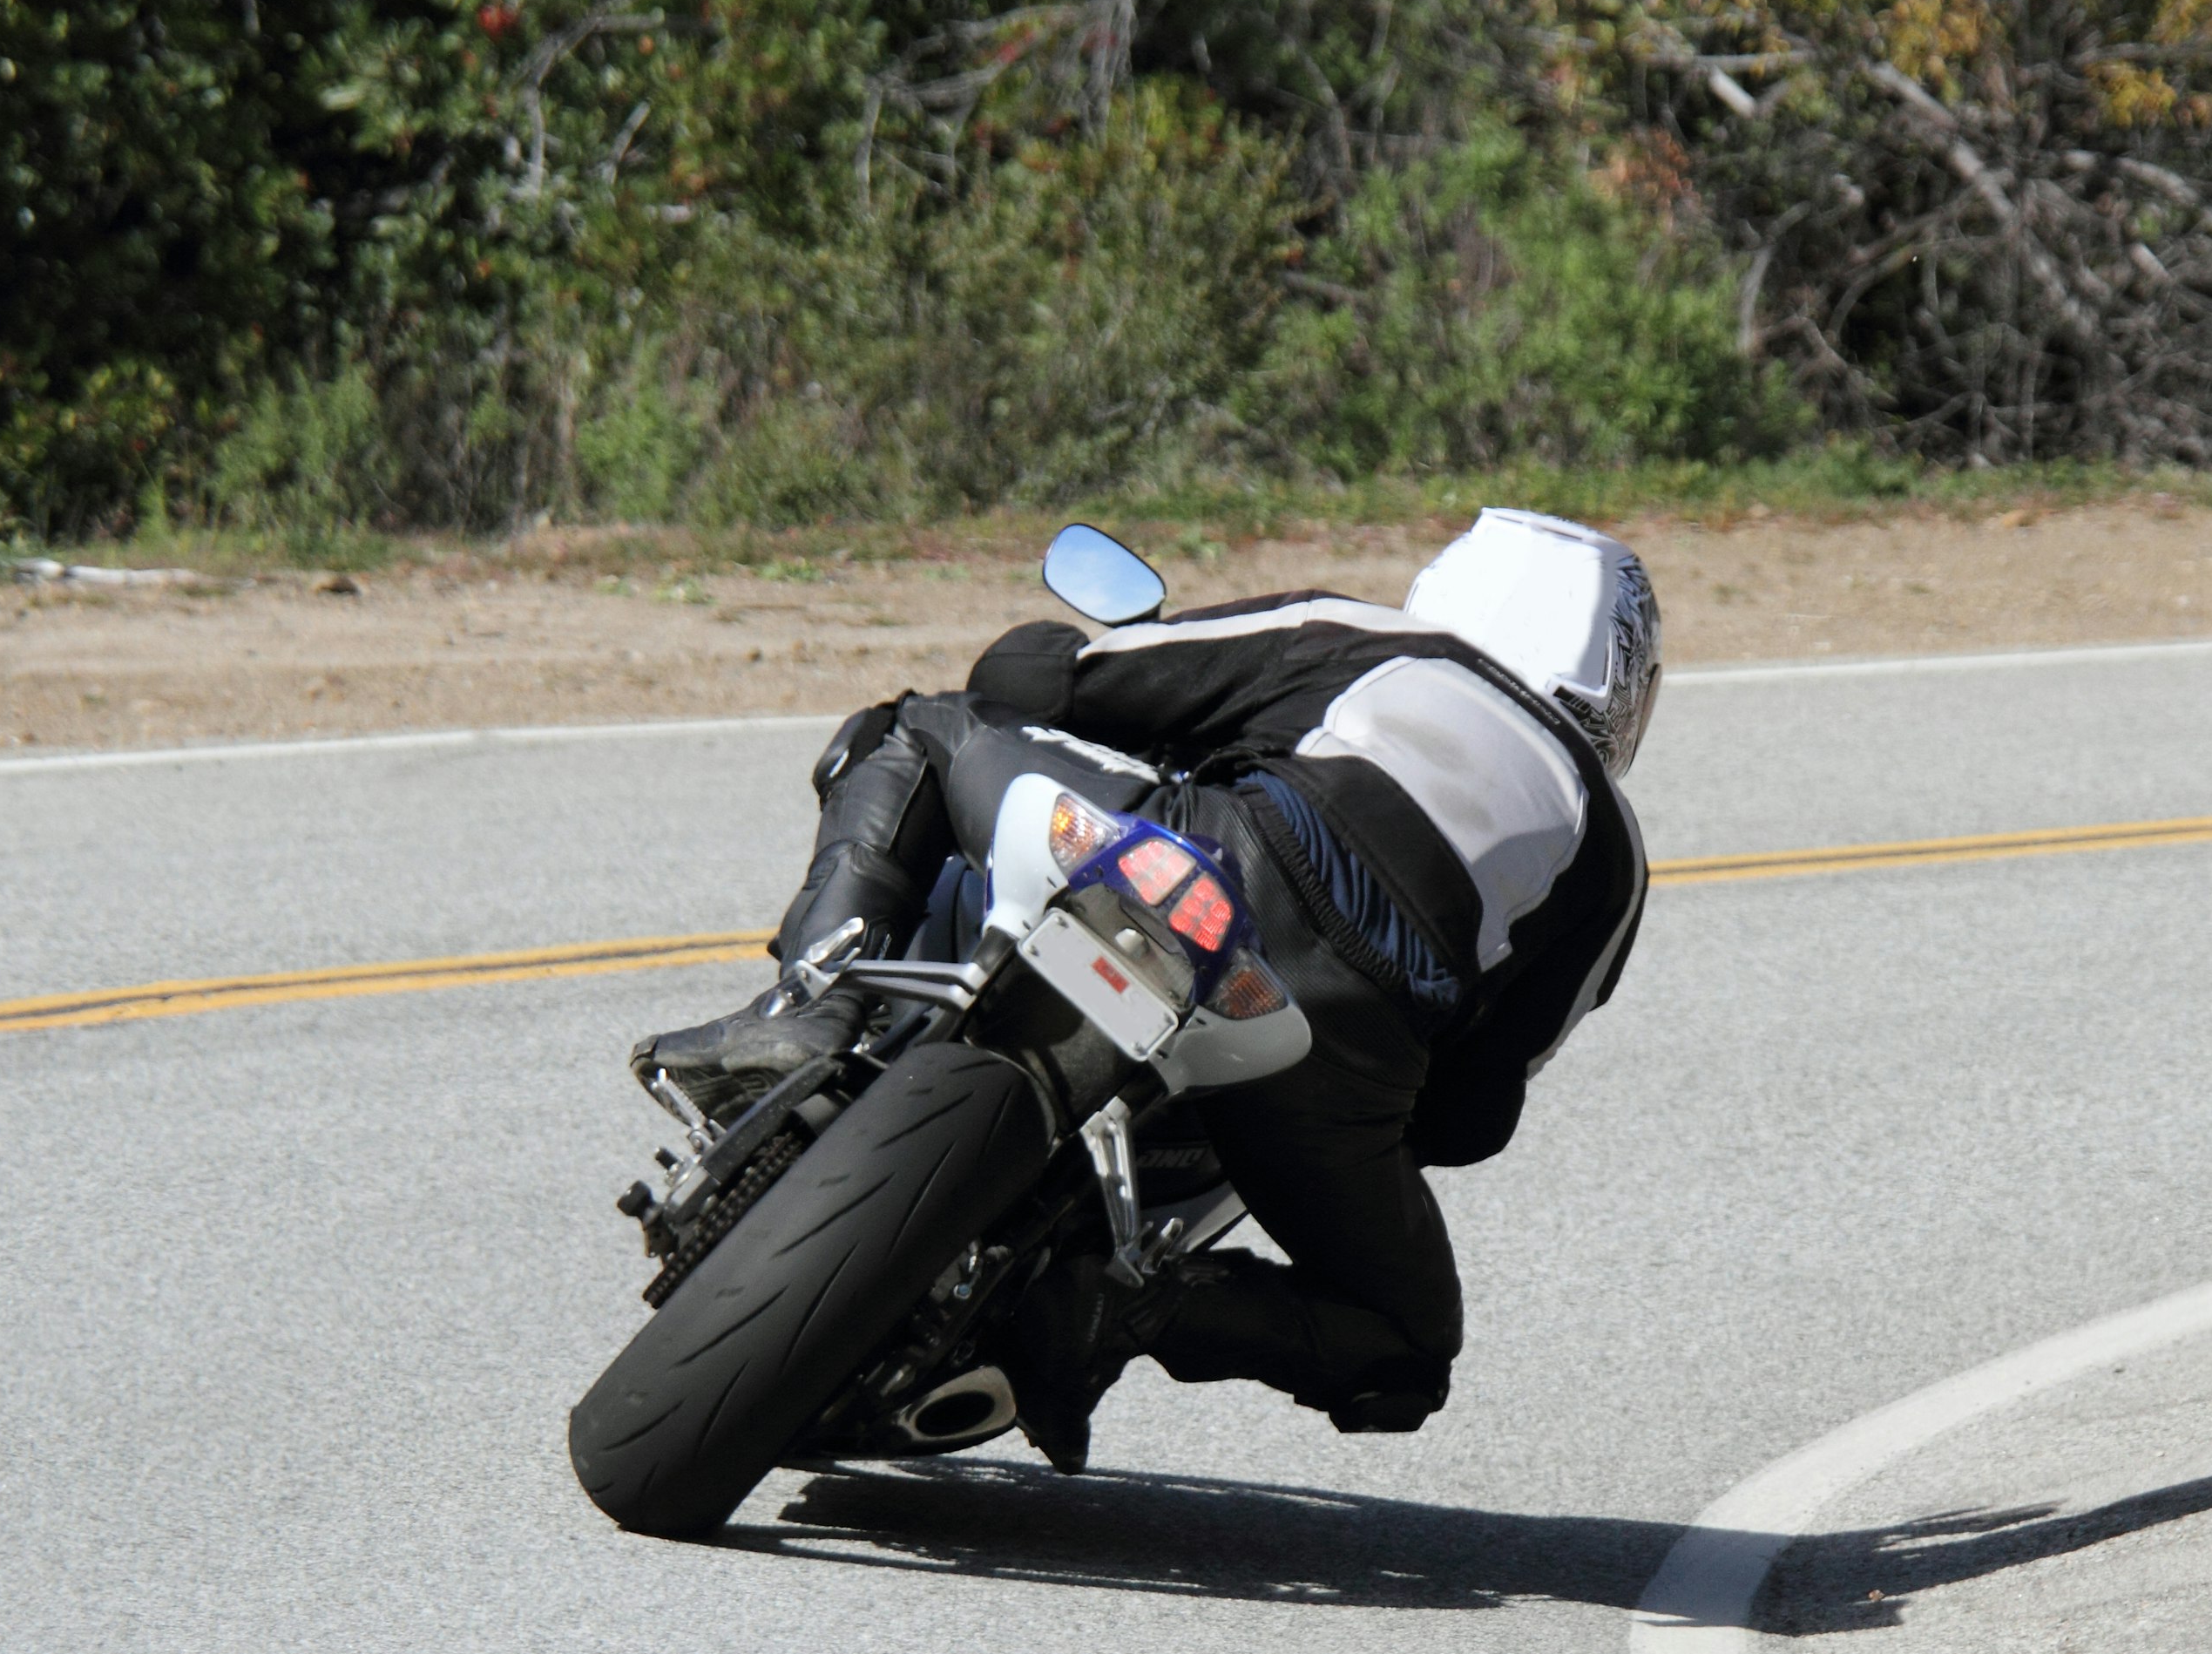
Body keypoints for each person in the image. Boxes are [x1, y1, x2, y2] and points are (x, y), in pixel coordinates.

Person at [630, 507, 1658, 1469]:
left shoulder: (1374, 641)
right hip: (1321, 1057)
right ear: (1620, 687)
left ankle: (814, 1005)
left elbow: (1056, 679)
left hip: (1190, 865)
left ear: (1459, 586)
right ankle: (1116, 1306)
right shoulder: (1613, 863)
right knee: (1402, 1344)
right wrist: (1351, 1125)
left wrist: (1042, 657)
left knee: (919, 729)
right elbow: (1477, 1114)